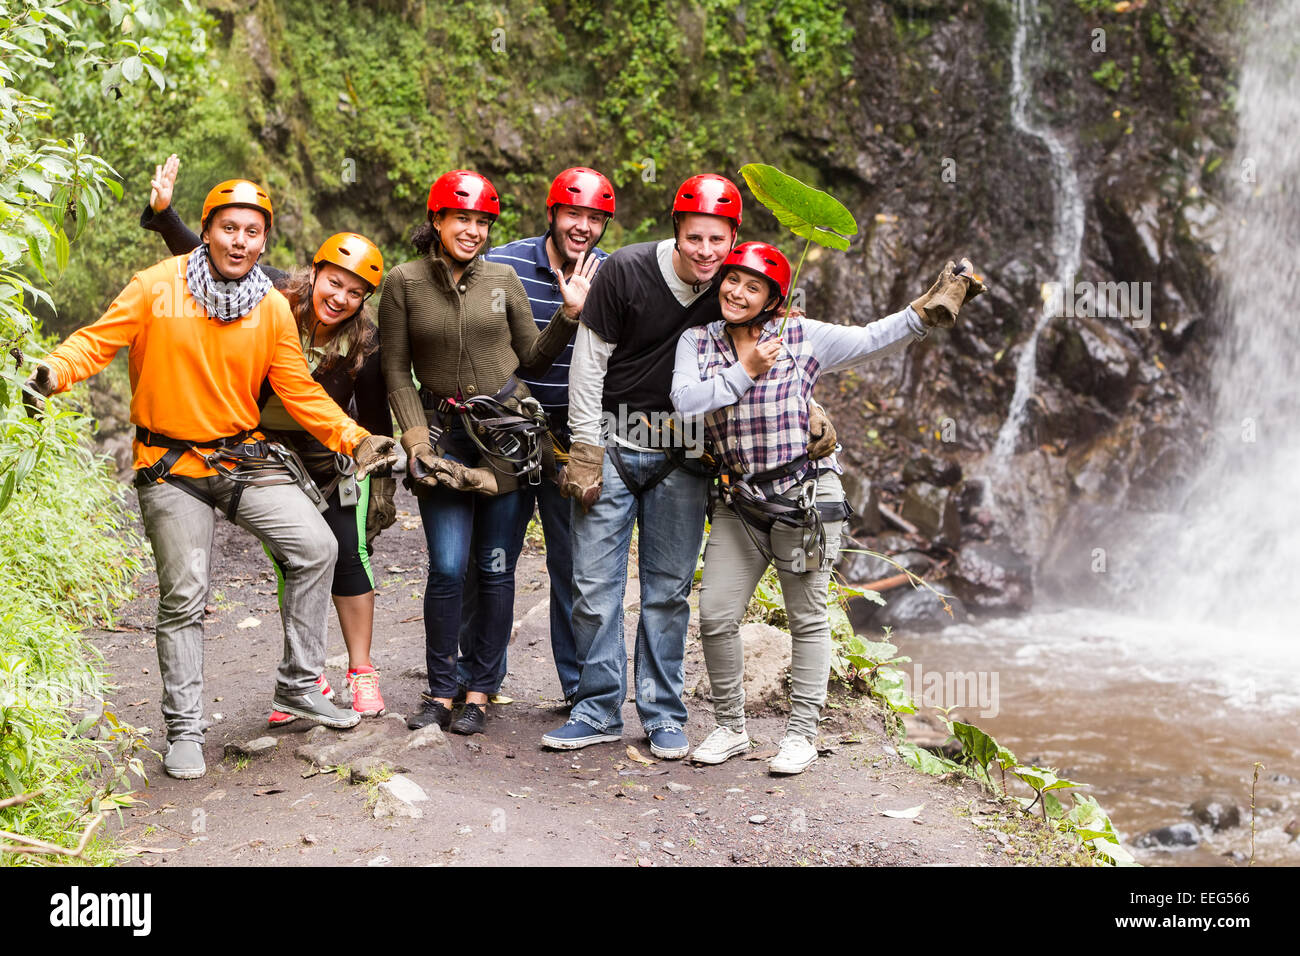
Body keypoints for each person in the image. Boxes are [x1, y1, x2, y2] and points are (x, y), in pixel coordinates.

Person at [24, 177, 396, 780]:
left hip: (242, 457)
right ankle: (185, 729)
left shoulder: (271, 305)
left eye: (253, 231)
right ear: (207, 228)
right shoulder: (157, 286)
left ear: (264, 241)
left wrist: (357, 438)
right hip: (169, 464)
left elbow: (298, 391)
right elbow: (96, 344)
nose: (240, 240)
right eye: (229, 227)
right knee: (186, 594)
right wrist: (51, 371)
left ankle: (300, 685)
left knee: (317, 545)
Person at [671, 242, 984, 774]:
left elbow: (869, 338)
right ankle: (730, 728)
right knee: (717, 615)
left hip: (804, 499)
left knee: (807, 619)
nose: (737, 293)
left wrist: (921, 314)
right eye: (732, 280)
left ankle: (801, 735)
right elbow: (685, 403)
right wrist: (745, 368)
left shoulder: (800, 336)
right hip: (741, 502)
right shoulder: (696, 341)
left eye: (754, 287)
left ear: (773, 298)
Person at [141, 155, 397, 722]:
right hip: (262, 454)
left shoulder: (366, 345)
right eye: (335, 281)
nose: (341, 297)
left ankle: (360, 670)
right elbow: (206, 251)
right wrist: (163, 215)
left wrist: (383, 486)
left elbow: (374, 418)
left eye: (356, 292)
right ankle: (306, 681)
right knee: (296, 558)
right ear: (316, 271)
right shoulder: (273, 294)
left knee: (345, 556)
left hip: (329, 459)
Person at [541, 173, 745, 759]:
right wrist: (584, 448)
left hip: (684, 455)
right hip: (612, 442)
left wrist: (806, 415)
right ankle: (598, 707)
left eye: (719, 239)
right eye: (696, 237)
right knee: (594, 587)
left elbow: (773, 352)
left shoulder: (732, 288)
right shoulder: (624, 272)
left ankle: (662, 712)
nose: (707, 252)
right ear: (677, 230)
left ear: (735, 238)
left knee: (666, 591)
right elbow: (589, 364)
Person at [379, 170, 585, 736]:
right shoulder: (404, 282)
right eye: (461, 219)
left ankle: (480, 690)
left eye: (482, 222)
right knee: (447, 568)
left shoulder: (504, 278)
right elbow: (397, 370)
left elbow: (533, 362)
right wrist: (417, 442)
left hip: (507, 440)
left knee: (495, 569)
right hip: (443, 439)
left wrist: (567, 317)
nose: (472, 230)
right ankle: (440, 690)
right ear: (437, 221)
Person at [454, 167, 614, 706]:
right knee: (491, 555)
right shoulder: (505, 264)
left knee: (573, 565)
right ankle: (477, 676)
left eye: (594, 218)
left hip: (575, 440)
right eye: (574, 214)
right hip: (508, 433)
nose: (583, 227)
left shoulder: (611, 276)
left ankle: (577, 687)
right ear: (553, 213)